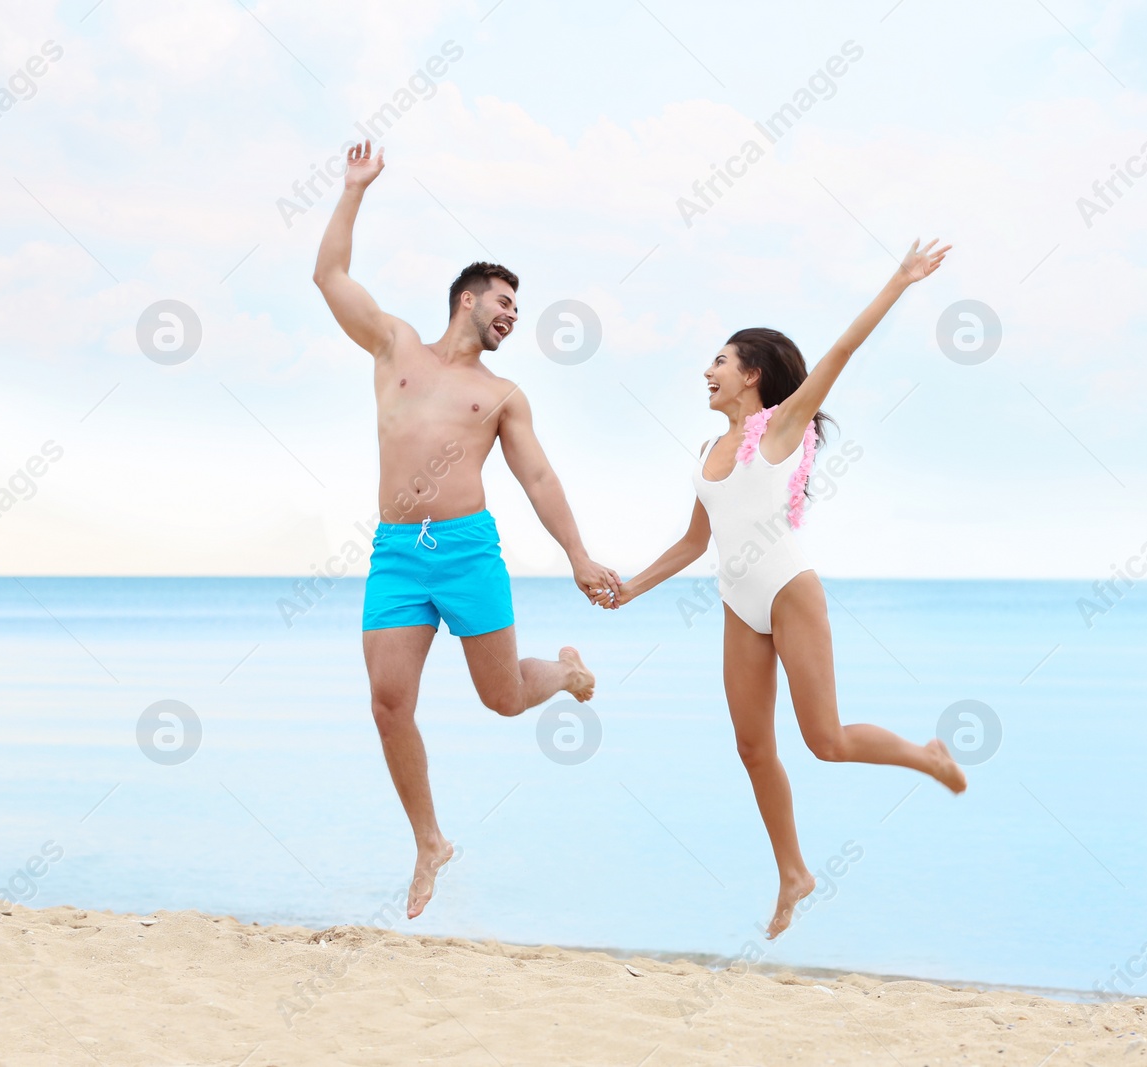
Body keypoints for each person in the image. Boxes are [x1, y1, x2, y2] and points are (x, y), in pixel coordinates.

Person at [611, 239, 965, 937]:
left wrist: (900, 278)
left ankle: (927, 755)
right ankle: (793, 871)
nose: (707, 371)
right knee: (751, 746)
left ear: (752, 374)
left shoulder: (784, 426)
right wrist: (629, 589)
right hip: (737, 601)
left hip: (788, 589)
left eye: (719, 360)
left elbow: (841, 351)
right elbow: (694, 540)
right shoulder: (709, 452)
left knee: (824, 740)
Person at [313, 139, 619, 918]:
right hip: (395, 553)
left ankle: (572, 675)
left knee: (505, 699)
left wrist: (579, 556)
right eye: (505, 303)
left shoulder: (504, 394)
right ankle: (429, 841)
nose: (512, 316)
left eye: (518, 310)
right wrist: (353, 190)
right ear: (468, 299)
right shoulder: (396, 346)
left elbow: (538, 478)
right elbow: (330, 277)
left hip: (469, 550)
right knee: (388, 701)